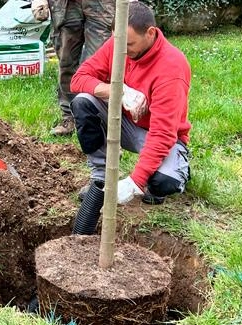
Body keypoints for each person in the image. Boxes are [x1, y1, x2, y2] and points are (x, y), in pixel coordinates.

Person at [70, 1, 191, 205]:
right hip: (124, 123)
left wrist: (135, 182)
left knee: (163, 182)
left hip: (160, 135)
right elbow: (78, 79)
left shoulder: (172, 68)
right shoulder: (118, 44)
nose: (122, 51)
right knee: (83, 102)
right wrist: (118, 91)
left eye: (129, 45)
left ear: (150, 33)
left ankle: (180, 166)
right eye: (119, 43)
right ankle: (101, 177)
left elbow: (163, 133)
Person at [31, 0, 115, 136]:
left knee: (99, 64)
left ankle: (100, 122)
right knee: (66, 62)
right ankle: (70, 117)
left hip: (101, 5)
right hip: (65, 5)